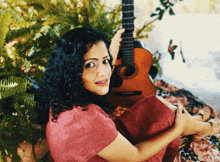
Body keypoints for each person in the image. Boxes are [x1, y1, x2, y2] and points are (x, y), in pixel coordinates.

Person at [38, 27, 220, 162]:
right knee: (171, 117)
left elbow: (100, 70)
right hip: (126, 156)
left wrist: (112, 49)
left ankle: (194, 125)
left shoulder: (62, 99)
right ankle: (204, 128)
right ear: (72, 70)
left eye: (105, 61)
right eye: (90, 65)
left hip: (100, 151)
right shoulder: (87, 119)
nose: (104, 72)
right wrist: (176, 131)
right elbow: (135, 156)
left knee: (155, 105)